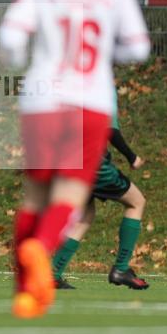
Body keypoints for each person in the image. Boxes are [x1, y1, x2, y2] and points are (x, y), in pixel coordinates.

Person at [0, 0, 150, 319]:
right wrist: (105, 52)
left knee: (35, 197)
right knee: (70, 195)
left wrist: (18, 60)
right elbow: (138, 48)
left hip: (42, 100)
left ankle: (27, 292)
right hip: (89, 101)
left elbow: (10, 41)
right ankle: (39, 252)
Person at [52, 92, 149, 290]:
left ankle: (51, 274)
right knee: (137, 202)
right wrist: (132, 157)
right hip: (92, 163)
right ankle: (121, 269)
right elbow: (110, 129)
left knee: (84, 216)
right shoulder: (99, 82)